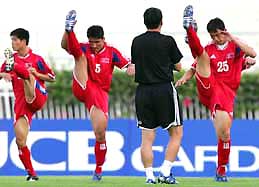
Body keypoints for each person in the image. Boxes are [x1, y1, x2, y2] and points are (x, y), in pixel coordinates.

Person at [179, 5, 257, 182]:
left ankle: (221, 169)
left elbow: (252, 53)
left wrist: (232, 39)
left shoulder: (235, 48)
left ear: (224, 32)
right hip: (209, 87)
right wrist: (185, 77)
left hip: (226, 94)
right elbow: (195, 66)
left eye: (218, 35)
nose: (216, 38)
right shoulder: (209, 48)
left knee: (225, 134)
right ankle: (190, 31)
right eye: (212, 36)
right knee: (202, 54)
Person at [61, 10, 134, 181]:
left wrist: (132, 67)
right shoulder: (84, 48)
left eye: (97, 42)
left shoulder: (112, 52)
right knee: (79, 55)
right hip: (82, 85)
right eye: (91, 42)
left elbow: (127, 66)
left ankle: (98, 170)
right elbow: (65, 46)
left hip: (99, 94)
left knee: (100, 134)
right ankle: (69, 28)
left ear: (103, 40)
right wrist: (67, 32)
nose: (93, 45)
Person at [131, 7, 183, 184]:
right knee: (176, 133)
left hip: (143, 91)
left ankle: (149, 177)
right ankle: (165, 172)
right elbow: (179, 67)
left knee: (147, 138)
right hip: (163, 89)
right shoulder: (167, 41)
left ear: (144, 22)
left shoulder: (136, 41)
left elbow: (136, 64)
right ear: (162, 21)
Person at [0, 28, 55, 181]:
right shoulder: (8, 61)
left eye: (15, 40)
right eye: (11, 40)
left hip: (37, 96)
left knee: (28, 75)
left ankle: (21, 71)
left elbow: (52, 77)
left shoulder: (37, 59)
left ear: (23, 41)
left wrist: (37, 74)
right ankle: (32, 173)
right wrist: (2, 73)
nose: (12, 43)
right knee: (20, 140)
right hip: (22, 104)